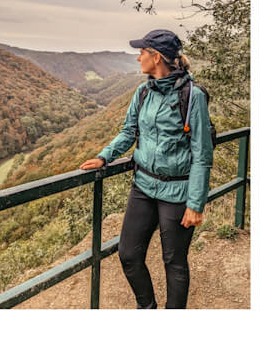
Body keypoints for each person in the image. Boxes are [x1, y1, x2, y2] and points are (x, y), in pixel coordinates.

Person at [80, 29, 213, 309]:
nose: (138, 56)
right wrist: (104, 157)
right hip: (143, 185)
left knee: (174, 262)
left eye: (142, 52)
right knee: (128, 254)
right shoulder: (143, 92)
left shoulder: (192, 96)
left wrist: (196, 203)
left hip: (178, 191)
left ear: (157, 57)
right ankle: (147, 309)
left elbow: (202, 153)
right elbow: (129, 131)